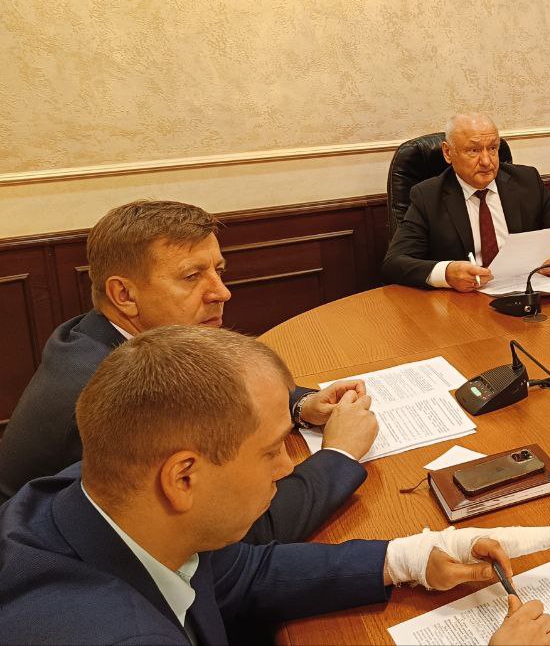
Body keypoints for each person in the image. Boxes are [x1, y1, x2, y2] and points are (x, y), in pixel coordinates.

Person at [0, 327, 550, 645]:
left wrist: (410, 559)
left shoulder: (98, 496)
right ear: (183, 477)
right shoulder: (105, 634)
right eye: (272, 450)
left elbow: (237, 572)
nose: (286, 468)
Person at [0, 200, 377, 544]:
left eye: (218, 271)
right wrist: (340, 453)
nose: (222, 292)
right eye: (192, 276)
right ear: (124, 296)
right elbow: (240, 533)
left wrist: (302, 406)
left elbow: (221, 377)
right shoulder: (120, 391)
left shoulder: (120, 336)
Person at [383, 112, 550, 292]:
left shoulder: (526, 182)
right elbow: (395, 262)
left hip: (527, 294)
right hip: (463, 304)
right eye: (473, 150)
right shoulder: (428, 196)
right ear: (448, 152)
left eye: (492, 148)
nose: (486, 161)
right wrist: (446, 273)